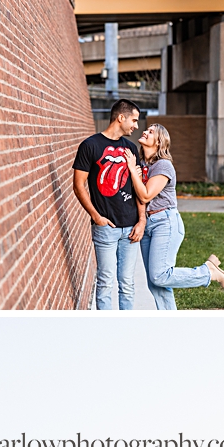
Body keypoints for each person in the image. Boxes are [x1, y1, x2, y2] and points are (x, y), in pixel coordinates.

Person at [125, 124, 224, 309]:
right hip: (149, 225)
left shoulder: (163, 165)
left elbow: (146, 195)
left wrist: (132, 171)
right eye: (147, 129)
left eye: (150, 132)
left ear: (159, 142)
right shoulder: (144, 165)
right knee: (155, 284)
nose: (144, 132)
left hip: (165, 223)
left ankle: (207, 272)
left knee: (160, 275)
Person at [72, 100, 145, 309]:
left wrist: (141, 221)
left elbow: (139, 190)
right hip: (106, 228)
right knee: (105, 282)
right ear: (121, 118)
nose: (136, 126)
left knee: (128, 284)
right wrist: (96, 217)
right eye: (134, 120)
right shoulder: (90, 145)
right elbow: (78, 186)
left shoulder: (131, 149)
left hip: (131, 228)